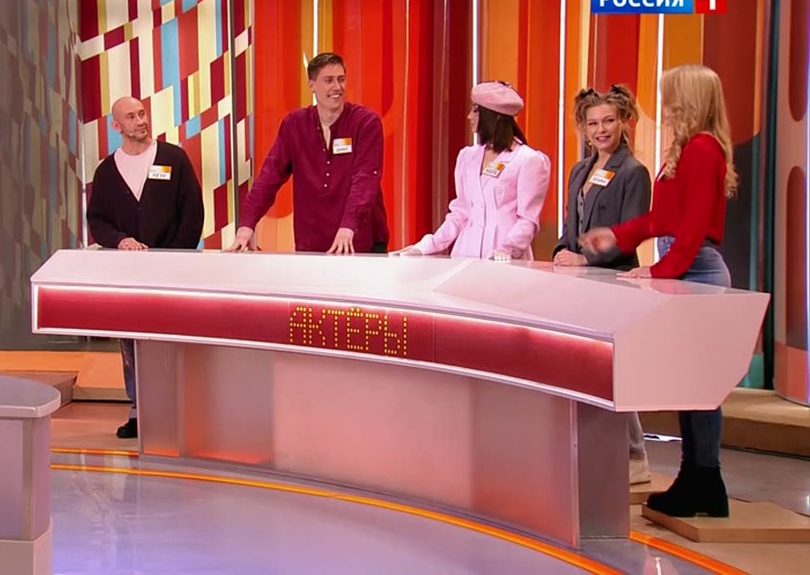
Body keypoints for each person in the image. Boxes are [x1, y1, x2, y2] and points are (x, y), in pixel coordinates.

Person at [583, 64, 739, 518]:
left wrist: (661, 271)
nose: (665, 107)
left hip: (697, 270)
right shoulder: (689, 150)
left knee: (700, 385)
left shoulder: (703, 149)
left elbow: (692, 228)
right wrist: (618, 235)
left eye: (671, 97)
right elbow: (663, 220)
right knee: (690, 384)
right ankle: (697, 477)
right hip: (685, 265)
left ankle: (705, 478)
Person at [86, 96, 205, 438]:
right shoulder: (107, 172)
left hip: (173, 271)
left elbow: (192, 212)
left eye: (142, 114)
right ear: (116, 126)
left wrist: (173, 257)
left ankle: (177, 410)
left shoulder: (173, 158)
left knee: (172, 342)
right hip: (130, 276)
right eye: (131, 117)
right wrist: (120, 240)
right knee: (132, 344)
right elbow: (98, 220)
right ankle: (139, 410)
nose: (140, 121)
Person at [553, 85, 653, 484]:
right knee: (586, 371)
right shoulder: (580, 170)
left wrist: (586, 258)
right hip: (579, 288)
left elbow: (629, 235)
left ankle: (634, 454)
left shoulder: (633, 172)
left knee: (614, 374)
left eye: (608, 121)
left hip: (614, 285)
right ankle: (593, 453)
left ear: (623, 122)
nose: (601, 130)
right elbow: (571, 226)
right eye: (593, 123)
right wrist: (563, 250)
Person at [226, 52, 389, 254]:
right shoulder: (294, 125)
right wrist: (246, 226)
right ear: (311, 85)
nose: (337, 87)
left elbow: (365, 179)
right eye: (328, 80)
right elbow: (269, 177)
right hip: (311, 245)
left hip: (361, 242)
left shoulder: (366, 123)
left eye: (341, 79)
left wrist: (348, 226)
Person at [394, 81, 549, 259]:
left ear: (495, 116)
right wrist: (425, 246)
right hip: (465, 255)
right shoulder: (467, 157)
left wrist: (507, 249)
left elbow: (528, 219)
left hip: (505, 259)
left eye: (476, 110)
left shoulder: (528, 160)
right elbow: (460, 212)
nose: (469, 116)